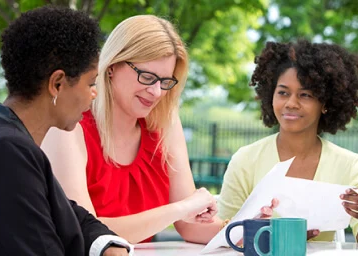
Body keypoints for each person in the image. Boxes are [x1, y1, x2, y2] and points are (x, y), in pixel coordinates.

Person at [42, 14, 277, 244]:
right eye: (146, 77)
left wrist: (245, 227)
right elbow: (84, 232)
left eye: (165, 82)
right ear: (112, 66)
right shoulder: (68, 127)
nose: (156, 92)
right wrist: (180, 209)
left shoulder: (164, 122)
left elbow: (190, 225)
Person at [0, 6, 133, 255]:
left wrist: (107, 245)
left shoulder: (7, 133)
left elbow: (62, 209)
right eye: (91, 82)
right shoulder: (9, 150)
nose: (95, 92)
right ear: (57, 83)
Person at [217, 39, 358, 242]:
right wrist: (276, 238)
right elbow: (223, 236)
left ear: (325, 103)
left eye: (305, 95)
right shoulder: (246, 160)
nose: (291, 103)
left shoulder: (350, 166)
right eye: (283, 92)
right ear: (270, 95)